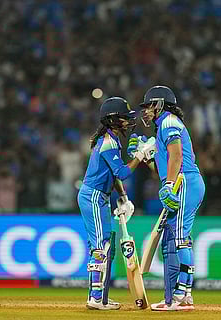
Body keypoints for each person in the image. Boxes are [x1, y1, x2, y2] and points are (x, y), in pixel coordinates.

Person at [77, 97, 155, 310]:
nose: (128, 121)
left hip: (101, 196)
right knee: (100, 247)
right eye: (124, 118)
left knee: (106, 246)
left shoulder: (113, 139)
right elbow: (122, 172)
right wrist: (140, 156)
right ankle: (94, 297)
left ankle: (101, 297)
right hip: (93, 195)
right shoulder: (109, 143)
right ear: (112, 120)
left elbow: (114, 175)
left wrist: (123, 197)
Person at [137, 86, 206, 311]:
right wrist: (143, 157)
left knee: (180, 238)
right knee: (180, 237)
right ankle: (184, 295)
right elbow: (163, 168)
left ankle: (180, 294)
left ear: (159, 104)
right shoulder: (163, 127)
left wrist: (169, 185)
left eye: (148, 106)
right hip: (181, 180)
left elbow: (176, 156)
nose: (145, 111)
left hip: (184, 180)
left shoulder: (169, 122)